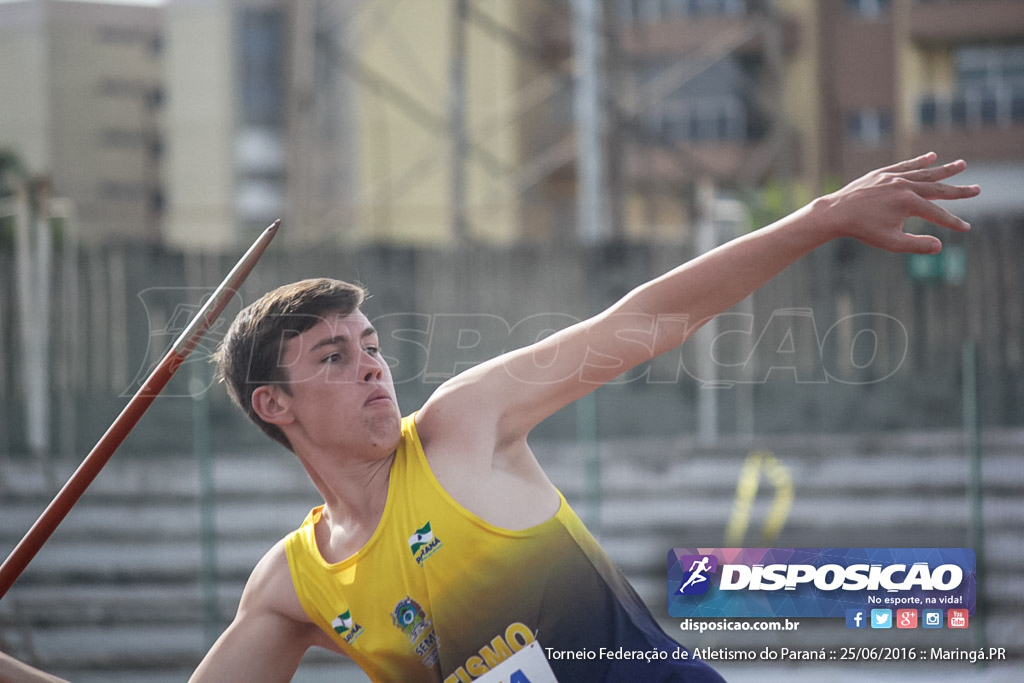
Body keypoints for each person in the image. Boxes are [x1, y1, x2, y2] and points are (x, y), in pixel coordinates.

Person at [190, 153, 979, 682]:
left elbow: (645, 322)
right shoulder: (295, 583)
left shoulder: (459, 429)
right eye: (333, 356)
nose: (371, 364)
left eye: (369, 344)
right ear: (274, 404)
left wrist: (825, 214)